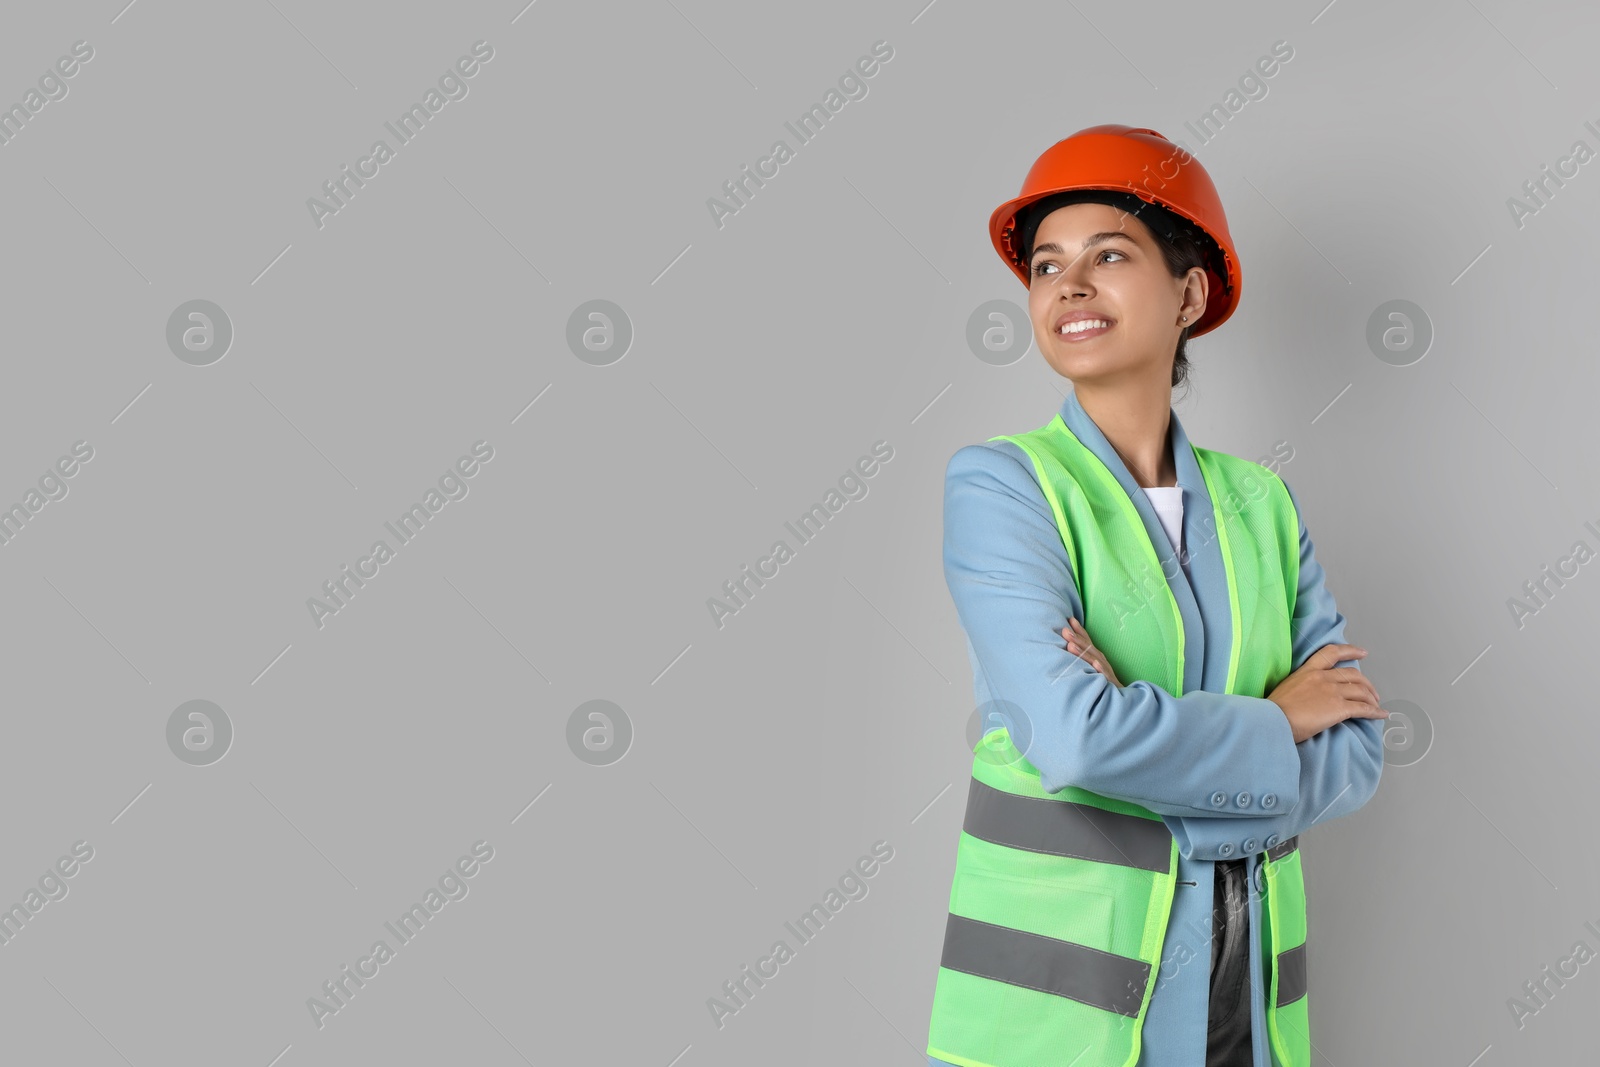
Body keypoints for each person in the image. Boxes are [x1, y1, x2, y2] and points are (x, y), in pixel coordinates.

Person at [924, 125, 1389, 1067]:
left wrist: (1136, 755)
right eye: (1047, 265)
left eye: (1109, 255)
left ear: (1190, 291)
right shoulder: (1004, 488)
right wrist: (1276, 718)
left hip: (1244, 1002)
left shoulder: (1261, 503)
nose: (1069, 285)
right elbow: (1074, 735)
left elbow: (1356, 754)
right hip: (1057, 1014)